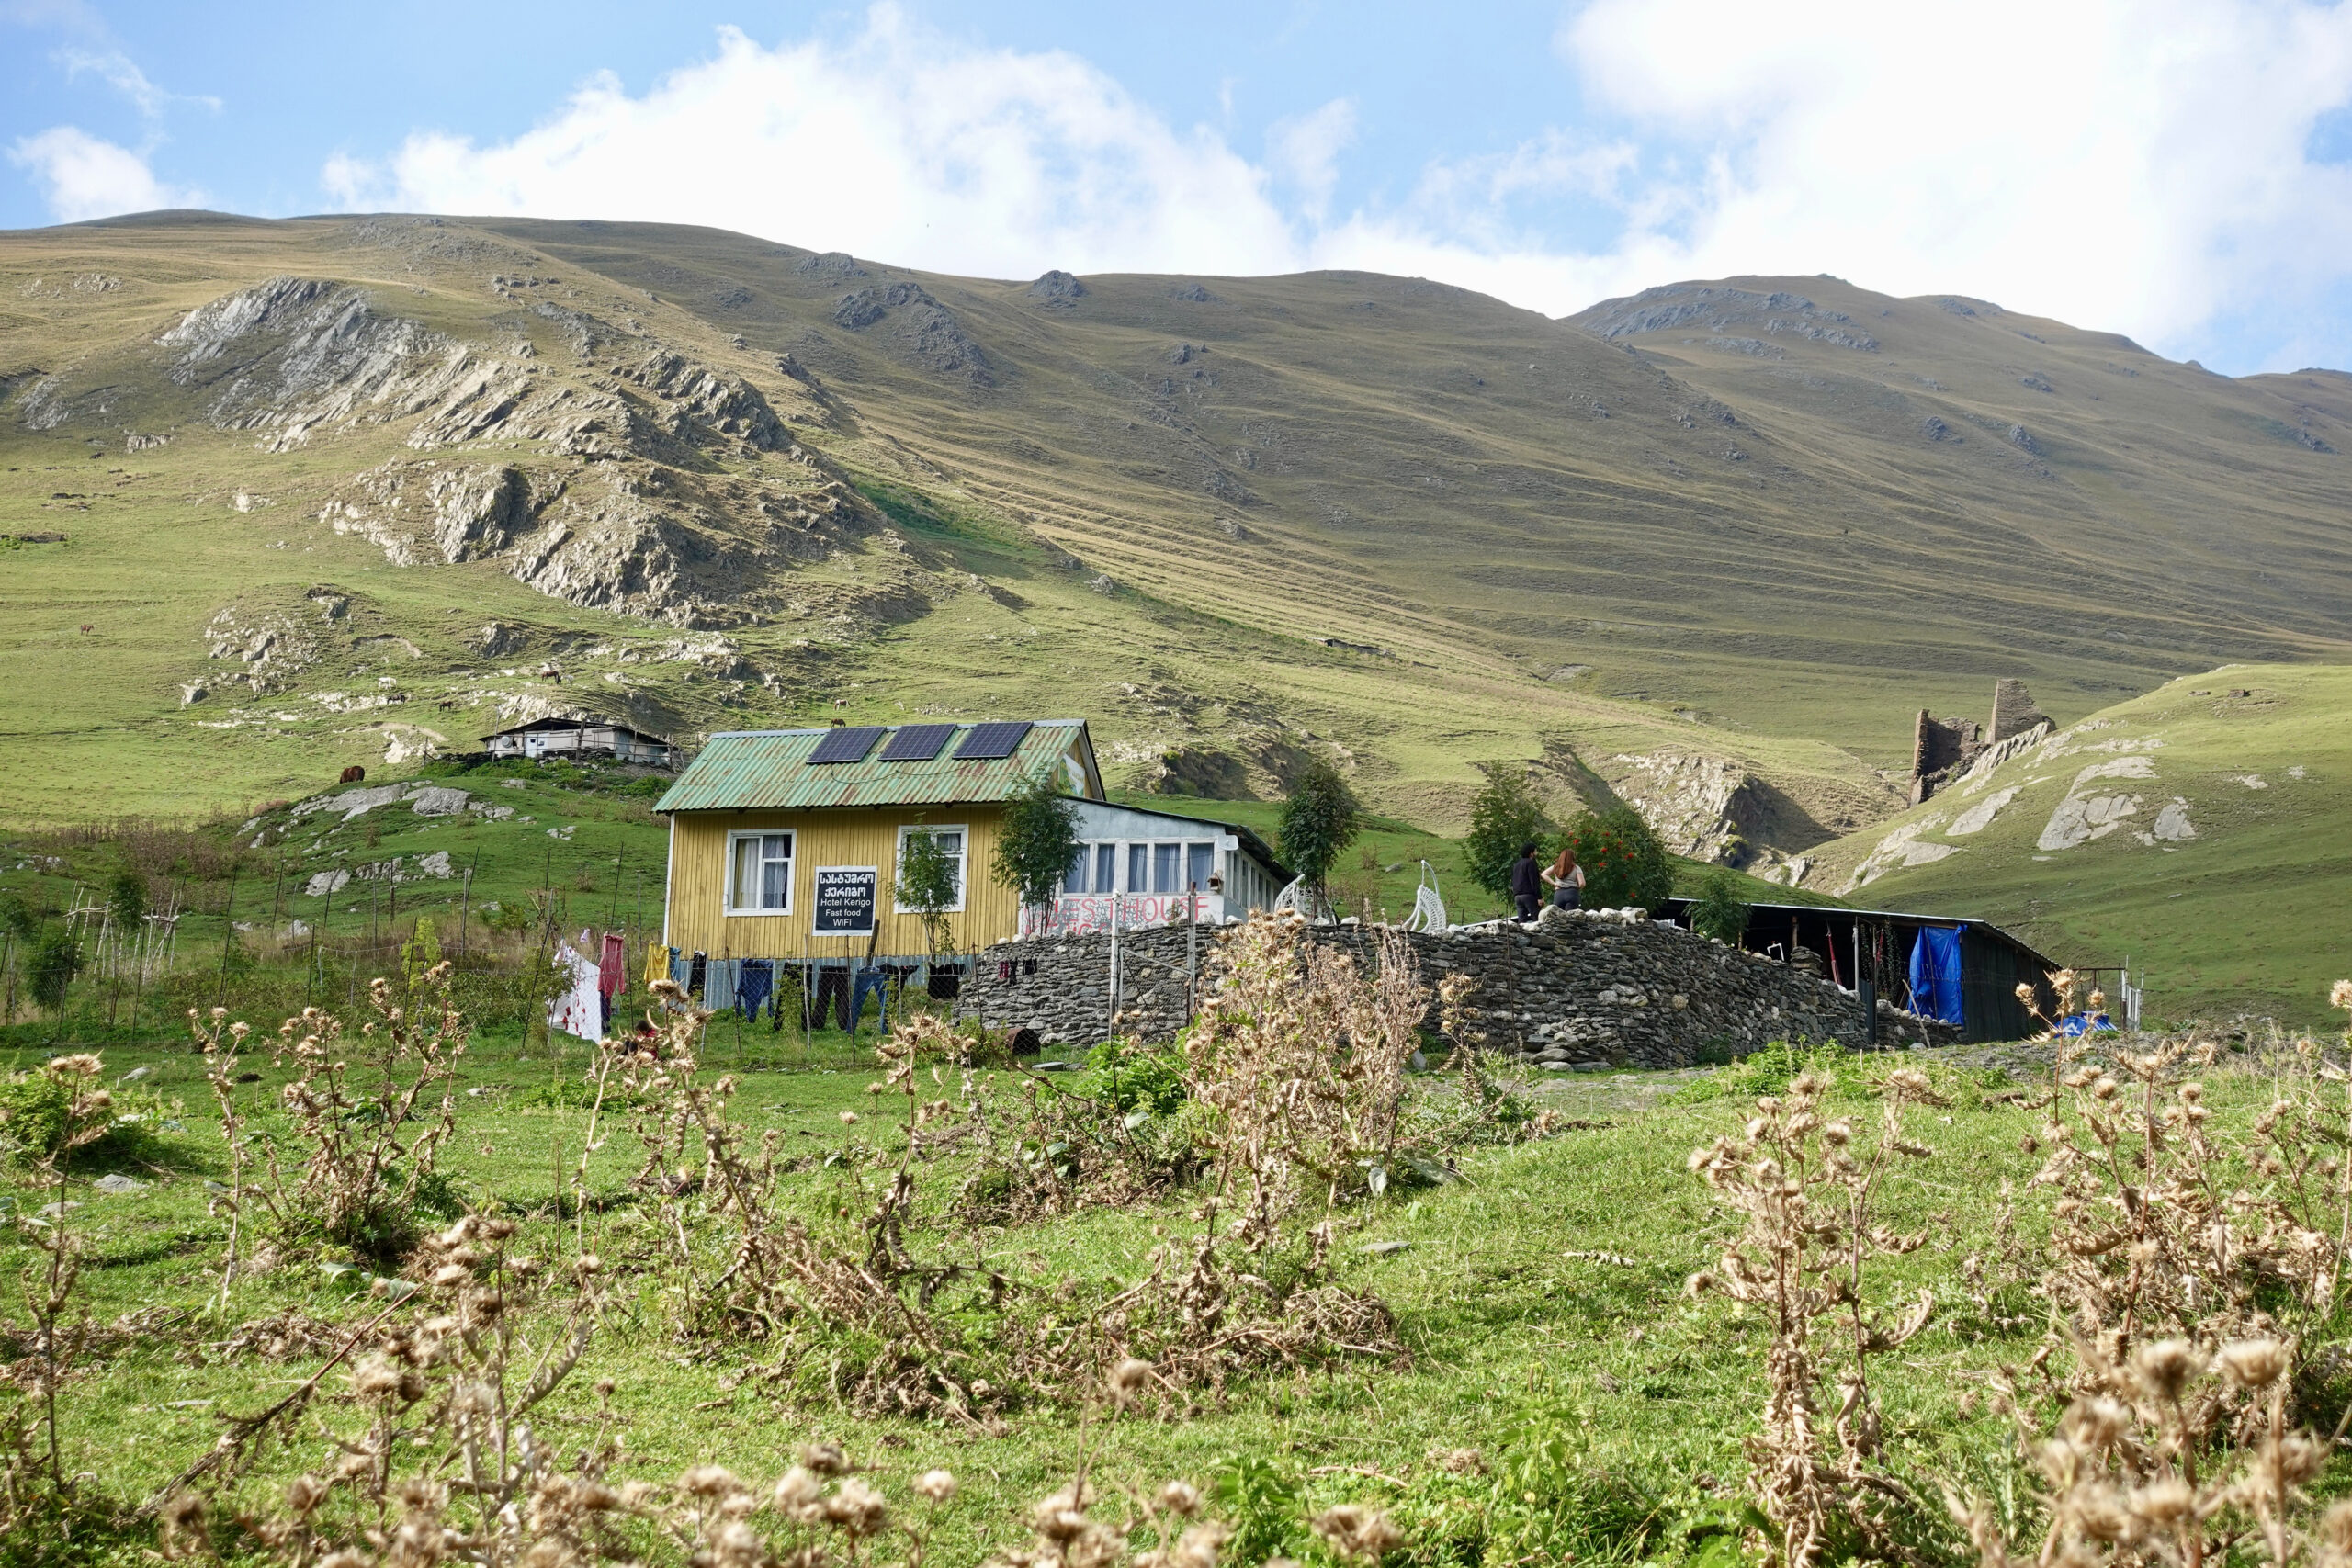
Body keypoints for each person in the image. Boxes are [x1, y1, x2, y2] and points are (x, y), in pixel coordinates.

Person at [1542, 845, 1585, 910]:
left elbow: (1544, 874)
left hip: (1559, 894)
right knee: (1571, 917)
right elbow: (1582, 883)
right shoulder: (1576, 868)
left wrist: (1554, 883)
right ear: (1572, 857)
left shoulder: (1555, 867)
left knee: (1559, 917)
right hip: (1572, 893)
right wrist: (1576, 888)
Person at [1508, 842, 1544, 921]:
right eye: (1535, 851)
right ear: (1531, 854)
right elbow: (1534, 881)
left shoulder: (1516, 864)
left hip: (1517, 896)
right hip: (1529, 896)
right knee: (1537, 919)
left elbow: (1513, 880)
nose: (1536, 853)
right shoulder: (1531, 863)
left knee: (1522, 921)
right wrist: (1539, 897)